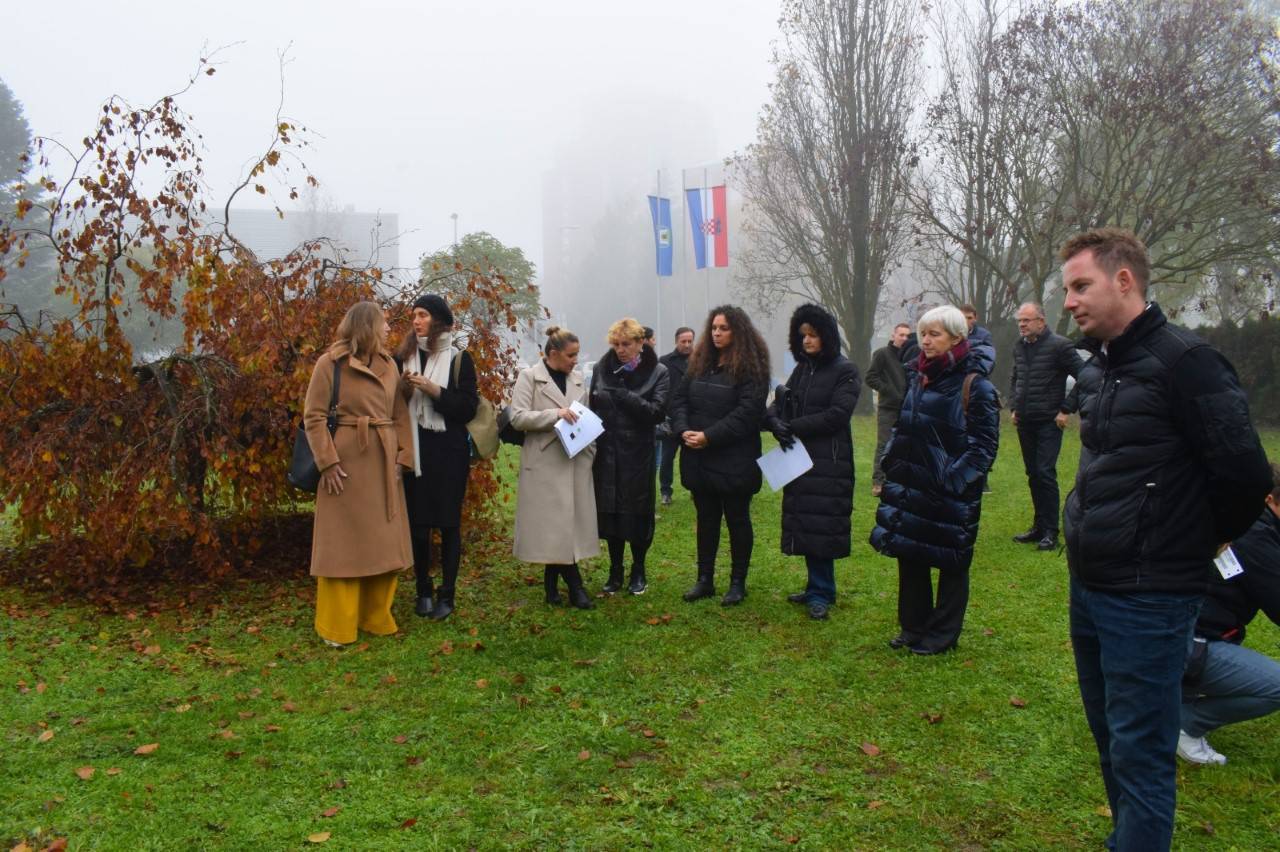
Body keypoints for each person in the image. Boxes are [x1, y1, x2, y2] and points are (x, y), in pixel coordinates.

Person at [1060, 227, 1271, 851]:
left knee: (1143, 753)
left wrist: (1191, 541)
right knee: (1109, 736)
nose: (1069, 301)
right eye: (1067, 288)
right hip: (1092, 584)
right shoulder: (1099, 368)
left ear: (1124, 280)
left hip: (1150, 596)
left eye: (1081, 286)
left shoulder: (1188, 362)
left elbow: (1245, 475)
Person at [870, 305, 999, 655]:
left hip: (948, 493)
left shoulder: (978, 386)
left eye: (934, 334)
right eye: (923, 333)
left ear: (957, 338)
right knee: (910, 555)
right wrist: (891, 458)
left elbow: (984, 447)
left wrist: (952, 481)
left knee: (950, 561)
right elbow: (903, 424)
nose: (925, 341)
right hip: (912, 483)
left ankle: (942, 635)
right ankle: (913, 627)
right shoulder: (919, 375)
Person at [304, 301, 414, 647]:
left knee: (384, 542)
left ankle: (375, 617)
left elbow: (399, 414)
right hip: (346, 464)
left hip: (383, 463)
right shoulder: (329, 364)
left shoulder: (389, 366)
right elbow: (314, 416)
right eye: (382, 323)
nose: (387, 330)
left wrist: (404, 456)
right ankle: (336, 626)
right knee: (342, 545)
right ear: (365, 326)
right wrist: (328, 462)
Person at [1178, 463, 1280, 765]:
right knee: (1277, 686)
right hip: (1187, 644)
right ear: (1269, 501)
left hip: (1181, 634)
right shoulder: (1254, 537)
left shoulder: (1244, 524)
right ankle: (1184, 723)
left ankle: (1171, 698)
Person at [670, 305, 770, 606]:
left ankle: (738, 582)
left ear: (737, 331)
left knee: (738, 520)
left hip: (735, 459)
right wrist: (683, 429)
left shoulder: (752, 369)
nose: (716, 333)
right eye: (714, 327)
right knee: (707, 519)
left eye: (723, 328)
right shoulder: (699, 363)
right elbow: (678, 400)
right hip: (699, 458)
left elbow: (747, 414)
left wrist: (709, 437)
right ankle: (705, 580)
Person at [766, 304, 861, 620]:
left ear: (827, 336)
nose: (807, 341)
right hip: (800, 458)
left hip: (828, 461)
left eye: (813, 335)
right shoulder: (802, 370)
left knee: (821, 523)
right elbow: (783, 403)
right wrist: (775, 422)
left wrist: (792, 427)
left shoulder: (845, 371)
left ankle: (822, 592)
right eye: (802, 335)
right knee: (806, 521)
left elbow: (836, 415)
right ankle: (815, 586)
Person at [396, 294, 478, 622]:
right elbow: (391, 406)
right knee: (418, 525)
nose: (416, 321)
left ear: (439, 320)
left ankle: (448, 592)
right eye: (414, 315)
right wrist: (403, 390)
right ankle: (423, 590)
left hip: (449, 451)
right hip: (414, 446)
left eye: (423, 315)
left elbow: (467, 408)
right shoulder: (403, 356)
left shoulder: (460, 359)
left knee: (448, 524)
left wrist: (432, 390)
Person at [509, 326, 599, 609]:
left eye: (577, 355)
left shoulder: (577, 378)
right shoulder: (528, 378)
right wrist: (555, 414)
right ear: (553, 354)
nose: (575, 360)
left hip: (574, 459)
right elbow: (518, 418)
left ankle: (551, 585)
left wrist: (590, 449)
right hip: (544, 463)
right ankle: (576, 587)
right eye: (571, 355)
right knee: (555, 527)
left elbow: (584, 414)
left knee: (565, 527)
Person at [590, 318, 670, 595]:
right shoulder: (602, 369)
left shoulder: (658, 372)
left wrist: (626, 396)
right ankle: (615, 571)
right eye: (616, 344)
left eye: (626, 344)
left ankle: (639, 569)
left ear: (640, 343)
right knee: (610, 514)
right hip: (607, 453)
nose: (620, 349)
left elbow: (657, 412)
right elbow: (592, 405)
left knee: (636, 513)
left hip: (638, 454)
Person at [1009, 301, 1084, 551]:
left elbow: (1085, 376)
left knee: (1044, 472)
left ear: (1041, 321)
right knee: (1033, 474)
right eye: (1020, 321)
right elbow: (1016, 377)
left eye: (1026, 320)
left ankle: (1051, 531)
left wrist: (1066, 409)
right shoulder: (1019, 346)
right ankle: (1039, 526)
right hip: (1025, 420)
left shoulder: (1060, 346)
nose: (1021, 325)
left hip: (1049, 420)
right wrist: (1013, 407)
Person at [865, 323, 910, 497]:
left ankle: (899, 480)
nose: (904, 338)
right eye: (901, 335)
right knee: (884, 445)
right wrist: (889, 390)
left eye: (907, 335)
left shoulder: (910, 357)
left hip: (906, 409)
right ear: (893, 335)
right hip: (887, 408)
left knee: (904, 446)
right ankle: (878, 481)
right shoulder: (882, 354)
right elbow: (870, 377)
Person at [657, 326, 695, 505]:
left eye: (690, 341)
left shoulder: (701, 360)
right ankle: (666, 491)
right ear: (676, 341)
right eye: (683, 341)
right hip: (671, 419)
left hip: (693, 418)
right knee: (667, 457)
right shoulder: (664, 362)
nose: (687, 345)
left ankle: (696, 489)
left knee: (694, 457)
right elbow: (659, 391)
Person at [959, 304, 996, 376]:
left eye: (969, 318)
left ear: (975, 318)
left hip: (975, 378)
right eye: (963, 318)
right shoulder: (951, 334)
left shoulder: (984, 335)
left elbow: (989, 361)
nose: (966, 321)